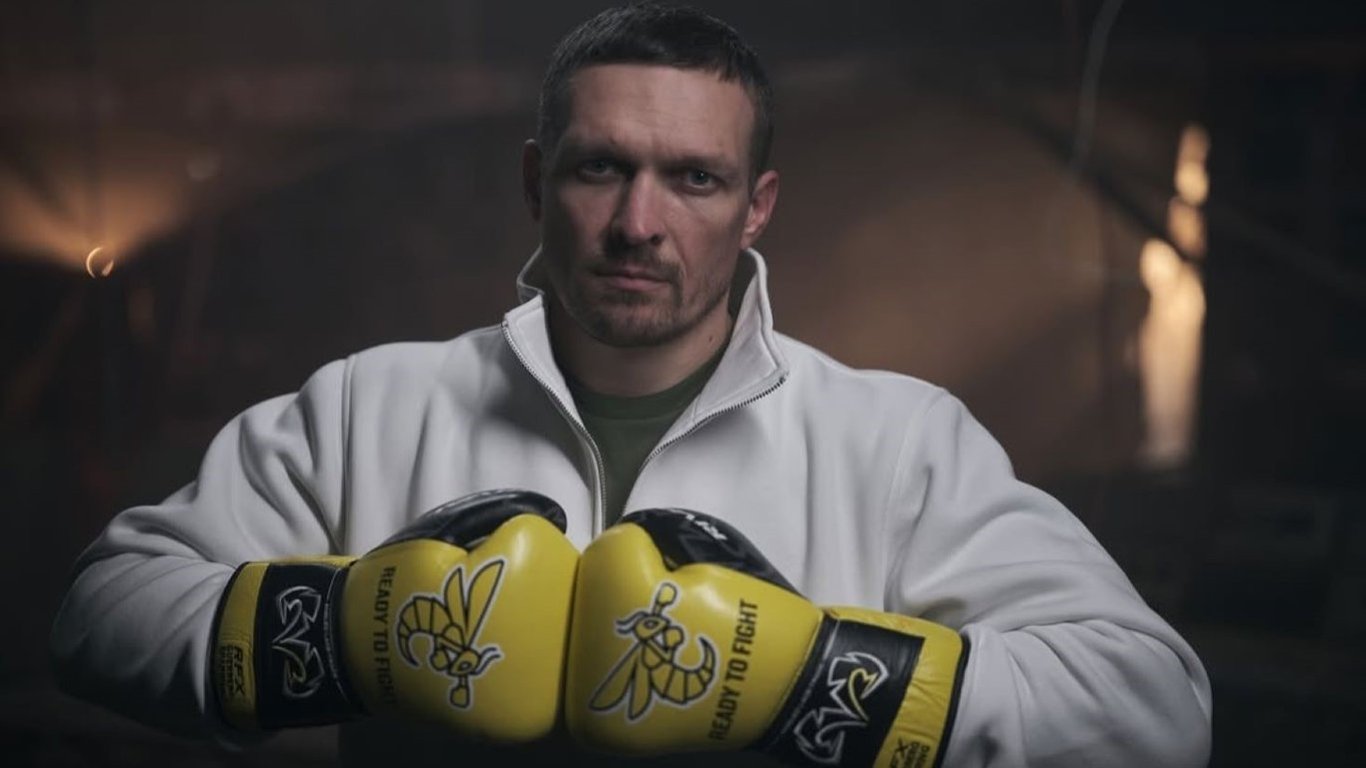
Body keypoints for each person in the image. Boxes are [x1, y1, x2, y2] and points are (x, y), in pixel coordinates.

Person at [49, 3, 1213, 767]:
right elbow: (103, 612)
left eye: (694, 179)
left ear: (755, 207)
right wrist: (354, 635)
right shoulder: (371, 407)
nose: (637, 223)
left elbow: (1153, 710)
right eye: (600, 167)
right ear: (535, 182)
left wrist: (809, 680)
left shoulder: (893, 441)